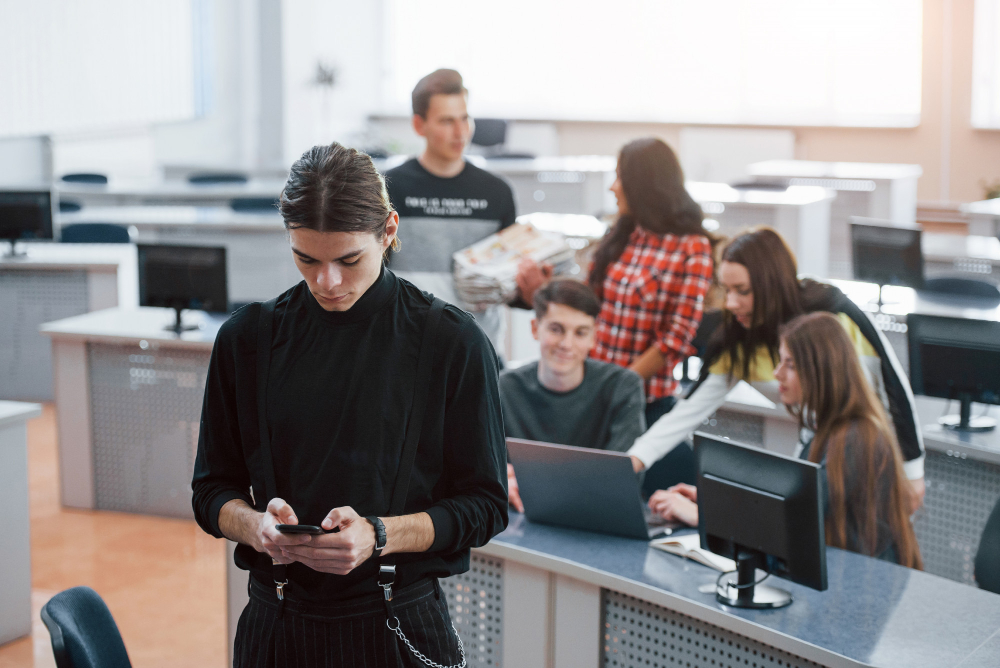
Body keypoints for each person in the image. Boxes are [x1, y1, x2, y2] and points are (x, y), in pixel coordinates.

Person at [191, 142, 508, 667]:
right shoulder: (246, 339)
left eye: (349, 259)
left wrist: (380, 535)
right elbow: (211, 490)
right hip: (277, 625)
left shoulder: (452, 342)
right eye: (306, 259)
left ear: (388, 230)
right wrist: (256, 528)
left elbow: (485, 505)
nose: (327, 282)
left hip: (399, 621)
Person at [630, 227, 927, 509]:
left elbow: (894, 388)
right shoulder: (737, 340)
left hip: (871, 456)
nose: (730, 303)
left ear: (770, 284)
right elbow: (687, 411)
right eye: (726, 290)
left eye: (742, 291)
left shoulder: (833, 314)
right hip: (818, 456)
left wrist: (912, 472)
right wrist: (632, 461)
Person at [650, 312, 924, 569]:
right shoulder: (830, 430)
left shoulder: (853, 440)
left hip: (855, 589)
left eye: (789, 364)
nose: (777, 373)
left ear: (822, 371)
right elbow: (791, 505)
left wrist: (702, 516)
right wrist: (715, 500)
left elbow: (791, 526)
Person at [384, 68, 520, 357]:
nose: (460, 132)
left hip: (478, 351)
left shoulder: (497, 192)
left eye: (465, 118)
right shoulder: (388, 188)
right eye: (447, 121)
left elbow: (510, 283)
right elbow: (373, 275)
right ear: (419, 125)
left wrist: (531, 288)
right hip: (408, 347)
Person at [499, 278, 646, 511]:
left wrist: (532, 481)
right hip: (518, 514)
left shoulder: (622, 387)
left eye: (580, 332)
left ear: (593, 337)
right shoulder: (504, 387)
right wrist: (499, 481)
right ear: (535, 329)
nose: (567, 344)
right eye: (556, 329)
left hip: (595, 516)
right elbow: (482, 471)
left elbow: (621, 479)